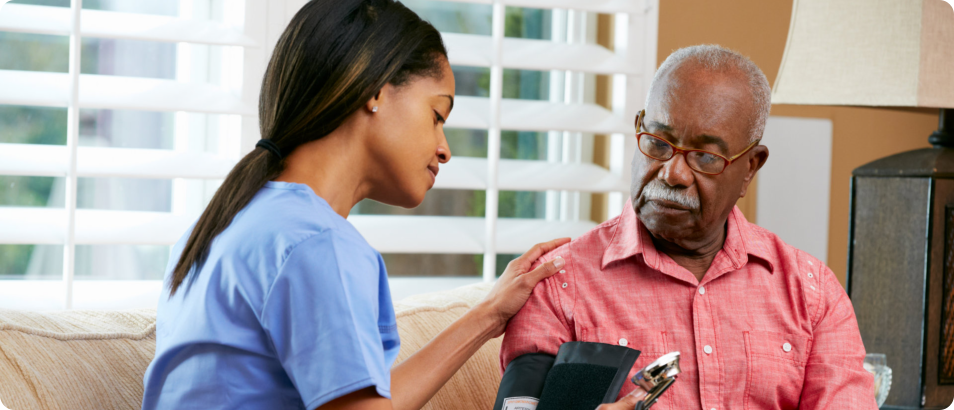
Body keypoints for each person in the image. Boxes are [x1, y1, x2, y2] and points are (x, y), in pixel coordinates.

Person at [140, 1, 584, 409]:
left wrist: (489, 315)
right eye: (437, 115)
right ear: (375, 90)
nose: (444, 148)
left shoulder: (226, 226)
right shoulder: (316, 243)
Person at [501, 45, 879, 409]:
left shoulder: (812, 294)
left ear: (750, 167)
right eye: (659, 142)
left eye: (704, 156)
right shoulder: (556, 284)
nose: (672, 173)